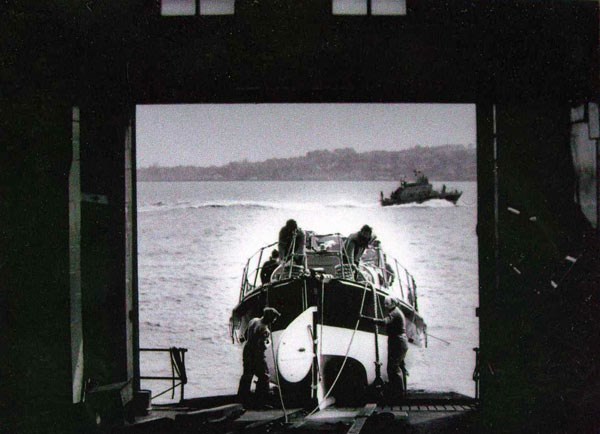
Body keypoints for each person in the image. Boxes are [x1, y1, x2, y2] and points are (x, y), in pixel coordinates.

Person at [362, 296, 408, 404]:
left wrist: (367, 319)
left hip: (398, 342)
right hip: (398, 342)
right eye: (385, 304)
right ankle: (400, 393)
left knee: (393, 368)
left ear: (393, 304)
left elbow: (384, 322)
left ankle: (397, 395)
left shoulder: (394, 313)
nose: (385, 306)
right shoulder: (396, 311)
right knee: (399, 367)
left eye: (387, 304)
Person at [237, 307, 281, 408]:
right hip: (256, 354)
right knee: (264, 376)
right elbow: (262, 345)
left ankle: (241, 399)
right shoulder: (264, 329)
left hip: (247, 350)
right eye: (274, 318)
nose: (274, 320)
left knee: (247, 375)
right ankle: (260, 402)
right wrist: (268, 342)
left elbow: (245, 334)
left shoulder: (254, 320)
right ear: (270, 317)